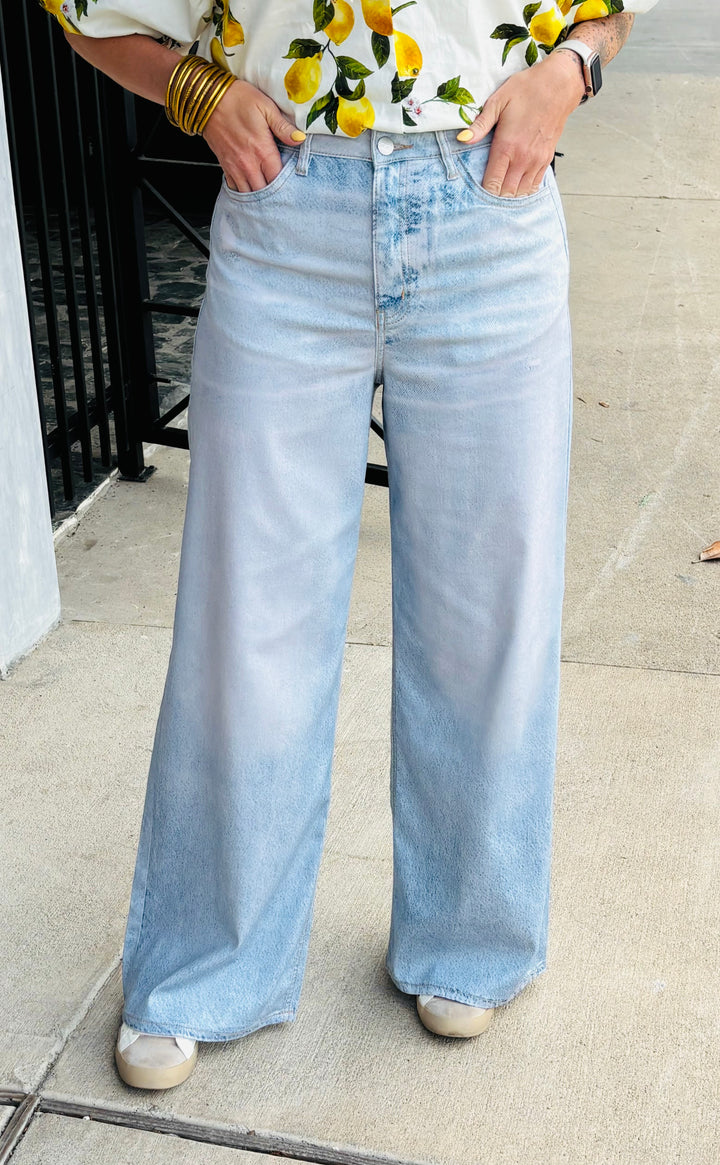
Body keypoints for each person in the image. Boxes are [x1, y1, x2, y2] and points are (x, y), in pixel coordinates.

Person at [48, 0, 658, 1091]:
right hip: (286, 208)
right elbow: (87, 12)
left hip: (488, 199)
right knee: (251, 617)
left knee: (489, 612)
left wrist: (568, 73)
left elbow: (611, 11)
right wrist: (200, 92)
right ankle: (203, 963)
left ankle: (470, 935)